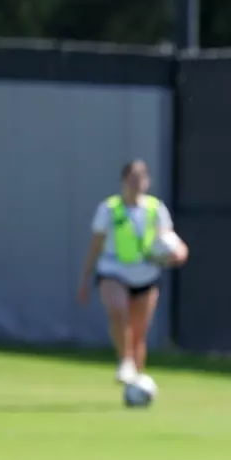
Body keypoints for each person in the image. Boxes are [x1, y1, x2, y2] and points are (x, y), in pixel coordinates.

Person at [77, 160, 189, 385]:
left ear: (148, 182)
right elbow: (95, 245)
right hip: (113, 270)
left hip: (146, 274)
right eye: (132, 179)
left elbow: (170, 240)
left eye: (141, 179)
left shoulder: (155, 209)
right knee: (118, 311)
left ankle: (136, 385)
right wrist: (85, 279)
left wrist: (180, 253)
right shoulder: (109, 209)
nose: (136, 183)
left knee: (138, 335)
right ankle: (125, 361)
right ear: (123, 181)